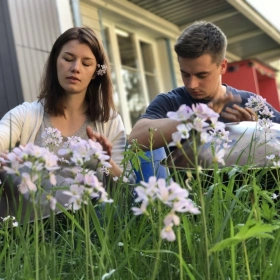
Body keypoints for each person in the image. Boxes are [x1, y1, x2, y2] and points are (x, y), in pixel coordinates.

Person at [0, 27, 134, 219]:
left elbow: (127, 191)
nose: (75, 68)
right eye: (68, 59)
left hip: (90, 227)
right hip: (35, 228)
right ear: (55, 61)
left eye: (86, 63)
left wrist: (107, 162)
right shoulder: (27, 114)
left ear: (97, 71)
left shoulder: (109, 121)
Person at [129, 21, 280, 151]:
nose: (192, 84)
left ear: (222, 66)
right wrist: (194, 118)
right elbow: (134, 140)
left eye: (202, 75)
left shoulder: (251, 103)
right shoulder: (170, 102)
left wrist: (257, 132)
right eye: (185, 74)